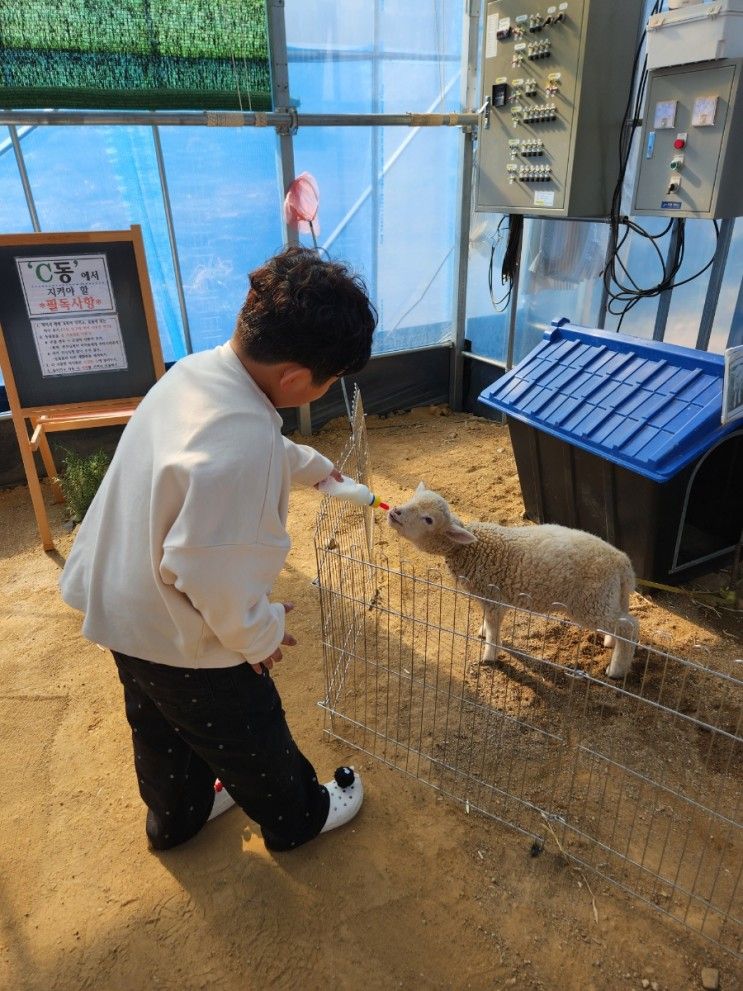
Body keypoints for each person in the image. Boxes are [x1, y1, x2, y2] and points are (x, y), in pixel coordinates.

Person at [60, 246, 377, 852]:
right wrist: (258, 635)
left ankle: (177, 817)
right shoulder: (246, 447)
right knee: (246, 729)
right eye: (330, 379)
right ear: (294, 379)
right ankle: (298, 816)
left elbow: (209, 450)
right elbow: (213, 574)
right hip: (177, 631)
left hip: (123, 606)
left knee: (158, 726)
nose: (328, 388)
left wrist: (310, 466)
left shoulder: (200, 372)